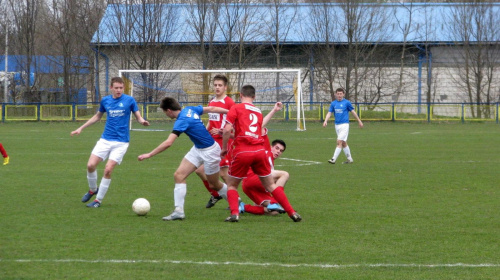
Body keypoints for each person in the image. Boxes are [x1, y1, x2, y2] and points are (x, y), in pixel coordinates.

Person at [137, 97, 229, 221]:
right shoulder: (189, 109)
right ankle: (178, 211)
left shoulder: (181, 121)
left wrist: (149, 154)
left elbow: (168, 142)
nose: (166, 115)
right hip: (198, 149)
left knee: (214, 184)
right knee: (179, 175)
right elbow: (212, 109)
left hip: (210, 152)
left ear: (169, 111)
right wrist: (229, 111)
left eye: (164, 112)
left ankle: (237, 202)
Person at [221, 85, 301, 222]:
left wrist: (224, 148)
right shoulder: (258, 111)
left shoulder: (236, 108)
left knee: (232, 185)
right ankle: (292, 212)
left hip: (243, 151)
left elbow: (227, 129)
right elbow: (258, 129)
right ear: (254, 97)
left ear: (240, 95)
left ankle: (235, 213)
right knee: (270, 185)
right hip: (259, 152)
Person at [71, 77, 150, 208]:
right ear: (111, 88)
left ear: (123, 88)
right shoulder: (105, 100)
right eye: (116, 88)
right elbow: (97, 116)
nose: (119, 90)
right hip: (105, 139)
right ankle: (92, 189)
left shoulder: (129, 100)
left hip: (121, 142)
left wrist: (142, 121)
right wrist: (81, 128)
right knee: (90, 165)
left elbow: (138, 116)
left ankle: (98, 200)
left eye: (121, 88)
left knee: (108, 170)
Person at [195, 74, 235, 209]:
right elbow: (211, 122)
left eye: (220, 85)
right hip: (211, 142)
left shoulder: (229, 102)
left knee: (223, 173)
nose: (217, 87)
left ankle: (235, 200)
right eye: (215, 85)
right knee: (200, 171)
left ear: (225, 87)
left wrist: (222, 131)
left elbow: (235, 123)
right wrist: (203, 134)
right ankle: (216, 194)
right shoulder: (212, 102)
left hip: (223, 142)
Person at [240, 138, 290, 216]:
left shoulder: (270, 160)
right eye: (277, 148)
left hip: (250, 187)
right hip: (253, 179)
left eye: (281, 151)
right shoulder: (266, 154)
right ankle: (275, 201)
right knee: (284, 174)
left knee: (274, 212)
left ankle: (243, 207)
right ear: (271, 147)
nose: (278, 151)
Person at [322, 87, 363, 164]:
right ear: (335, 94)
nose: (339, 95)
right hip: (337, 125)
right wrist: (325, 121)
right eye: (338, 94)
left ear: (343, 94)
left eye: (341, 94)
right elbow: (329, 113)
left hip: (344, 125)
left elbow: (353, 112)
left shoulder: (347, 103)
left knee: (339, 141)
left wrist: (359, 121)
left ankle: (333, 159)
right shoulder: (333, 103)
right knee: (343, 143)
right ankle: (350, 159)